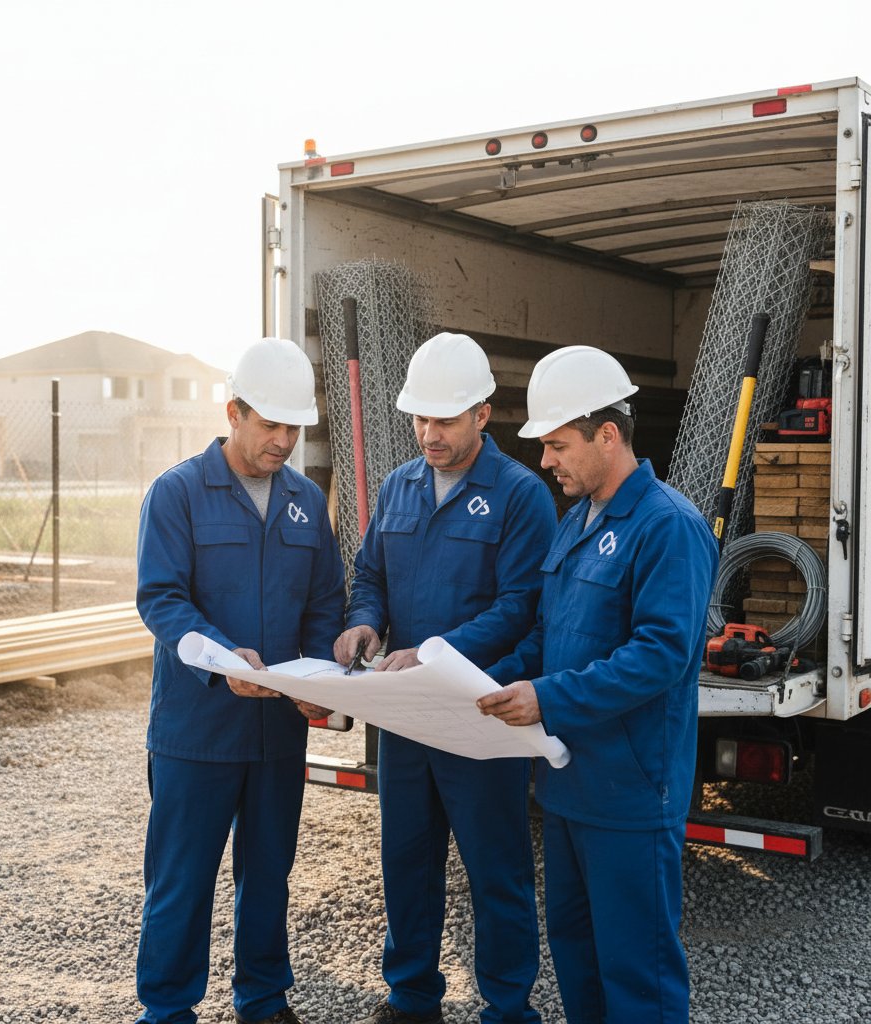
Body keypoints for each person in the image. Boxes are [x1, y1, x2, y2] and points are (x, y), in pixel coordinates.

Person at [477, 345, 719, 1024]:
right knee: (578, 957)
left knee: (637, 972)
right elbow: (547, 639)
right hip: (568, 787)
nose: (545, 461)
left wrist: (547, 699)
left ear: (607, 435)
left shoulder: (668, 526)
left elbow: (661, 655)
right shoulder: (577, 522)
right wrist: (472, 683)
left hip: (631, 794)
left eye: (556, 445)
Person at [333, 332, 557, 1024]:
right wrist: (364, 621)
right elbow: (370, 574)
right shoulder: (398, 488)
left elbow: (520, 605)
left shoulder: (522, 496)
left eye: (445, 420)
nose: (429, 433)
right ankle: (410, 999)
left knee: (497, 870)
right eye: (420, 419)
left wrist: (433, 651)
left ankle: (508, 1007)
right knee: (406, 860)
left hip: (477, 711)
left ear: (483, 415)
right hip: (405, 716)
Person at [134, 337, 345, 1024]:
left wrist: (322, 678)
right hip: (196, 731)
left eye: (294, 427)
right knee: (180, 881)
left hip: (277, 734)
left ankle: (262, 997)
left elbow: (324, 604)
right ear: (233, 412)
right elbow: (161, 599)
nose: (283, 440)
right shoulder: (178, 493)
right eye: (270, 425)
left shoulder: (307, 503)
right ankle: (167, 1008)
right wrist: (225, 660)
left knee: (268, 878)